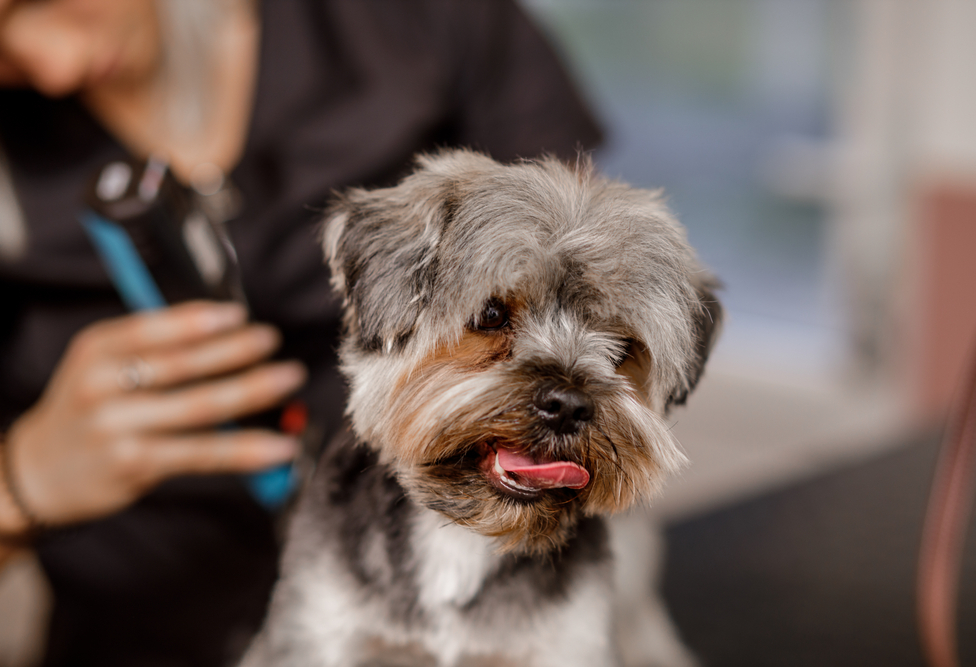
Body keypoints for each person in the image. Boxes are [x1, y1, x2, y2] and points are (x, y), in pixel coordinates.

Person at [0, 0, 601, 665]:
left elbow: (596, 298)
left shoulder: (418, 22)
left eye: (34, 0)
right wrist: (19, 484)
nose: (55, 69)